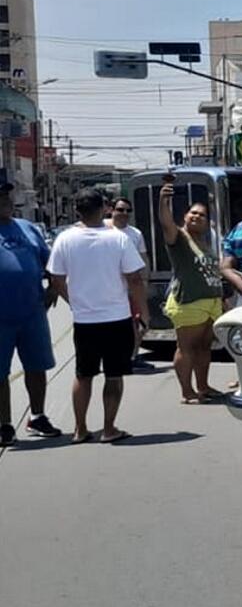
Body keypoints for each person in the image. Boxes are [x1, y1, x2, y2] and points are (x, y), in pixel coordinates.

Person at [48, 188, 148, 444]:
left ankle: (80, 429)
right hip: (117, 317)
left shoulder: (64, 239)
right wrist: (143, 312)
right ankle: (108, 428)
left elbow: (56, 279)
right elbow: (135, 279)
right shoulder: (119, 239)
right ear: (104, 208)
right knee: (114, 375)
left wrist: (74, 302)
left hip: (84, 321)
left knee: (83, 374)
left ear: (77, 210)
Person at [0, 181, 62, 445]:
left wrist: (53, 290)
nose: (6, 200)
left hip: (32, 313)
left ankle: (37, 416)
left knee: (37, 367)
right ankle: (4, 424)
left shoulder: (28, 229)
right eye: (0, 197)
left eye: (7, 195)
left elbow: (52, 262)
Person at [157, 183, 224, 404]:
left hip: (211, 302)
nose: (197, 217)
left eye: (202, 215)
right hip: (189, 301)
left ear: (208, 223)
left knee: (204, 346)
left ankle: (203, 386)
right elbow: (166, 223)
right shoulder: (179, 238)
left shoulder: (204, 243)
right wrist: (163, 199)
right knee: (186, 347)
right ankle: (187, 391)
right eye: (193, 213)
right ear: (185, 216)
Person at [110, 197, 152, 370]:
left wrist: (146, 281)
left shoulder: (135, 234)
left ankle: (133, 357)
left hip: (133, 288)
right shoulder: (104, 230)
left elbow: (143, 259)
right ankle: (116, 357)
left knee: (139, 325)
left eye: (128, 210)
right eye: (120, 210)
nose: (124, 213)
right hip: (111, 289)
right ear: (111, 210)